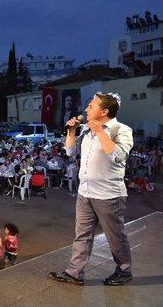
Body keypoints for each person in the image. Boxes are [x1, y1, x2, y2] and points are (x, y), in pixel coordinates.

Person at [50, 92, 134, 286]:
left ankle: (124, 270)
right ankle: (75, 272)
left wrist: (101, 132)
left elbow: (119, 156)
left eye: (91, 106)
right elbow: (70, 152)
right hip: (85, 192)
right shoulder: (86, 130)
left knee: (115, 236)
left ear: (104, 111)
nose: (86, 110)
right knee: (82, 234)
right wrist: (71, 131)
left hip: (109, 195)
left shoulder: (121, 130)